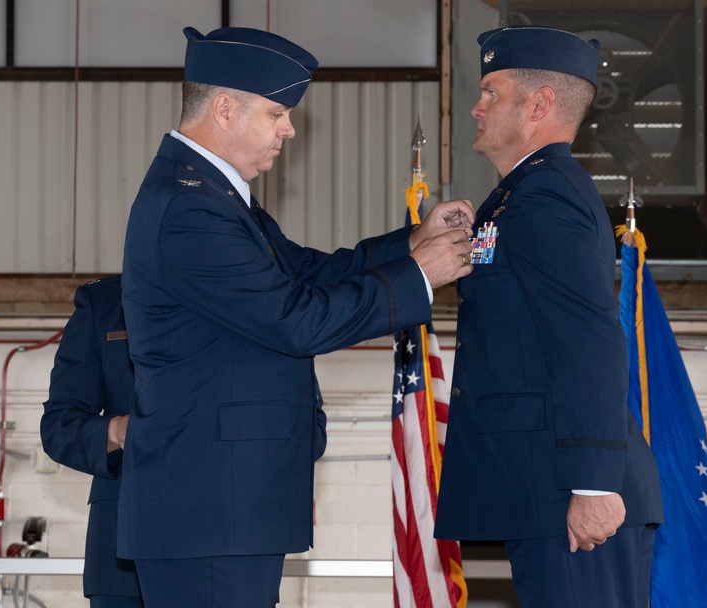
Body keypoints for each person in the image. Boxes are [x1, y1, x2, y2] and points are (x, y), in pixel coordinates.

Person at [117, 26, 474, 607]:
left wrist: (413, 243)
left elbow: (304, 272)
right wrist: (420, 276)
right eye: (277, 112)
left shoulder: (213, 196)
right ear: (225, 108)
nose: (289, 129)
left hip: (223, 510)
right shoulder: (190, 208)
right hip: (210, 512)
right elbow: (295, 319)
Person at [433, 25, 664, 607]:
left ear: (539, 105)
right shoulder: (518, 195)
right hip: (545, 488)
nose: (475, 108)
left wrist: (593, 482)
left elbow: (588, 340)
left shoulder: (546, 195)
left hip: (572, 491)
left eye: (492, 92)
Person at [40, 275, 143, 608]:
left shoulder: (251, 293)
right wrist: (116, 430)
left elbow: (306, 423)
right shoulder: (105, 303)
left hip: (226, 547)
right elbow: (60, 425)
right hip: (122, 555)